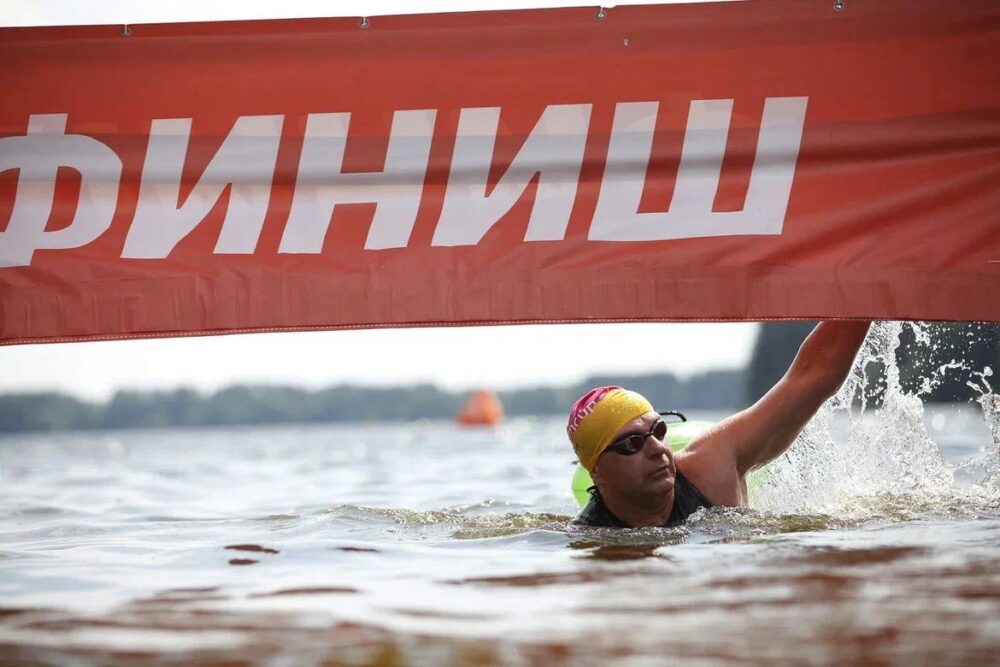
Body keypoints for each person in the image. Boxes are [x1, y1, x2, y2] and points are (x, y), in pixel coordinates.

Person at [568, 320, 872, 528]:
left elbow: (814, 375)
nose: (657, 449)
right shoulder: (587, 536)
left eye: (658, 431)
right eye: (633, 443)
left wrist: (871, 279)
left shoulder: (710, 468)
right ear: (596, 471)